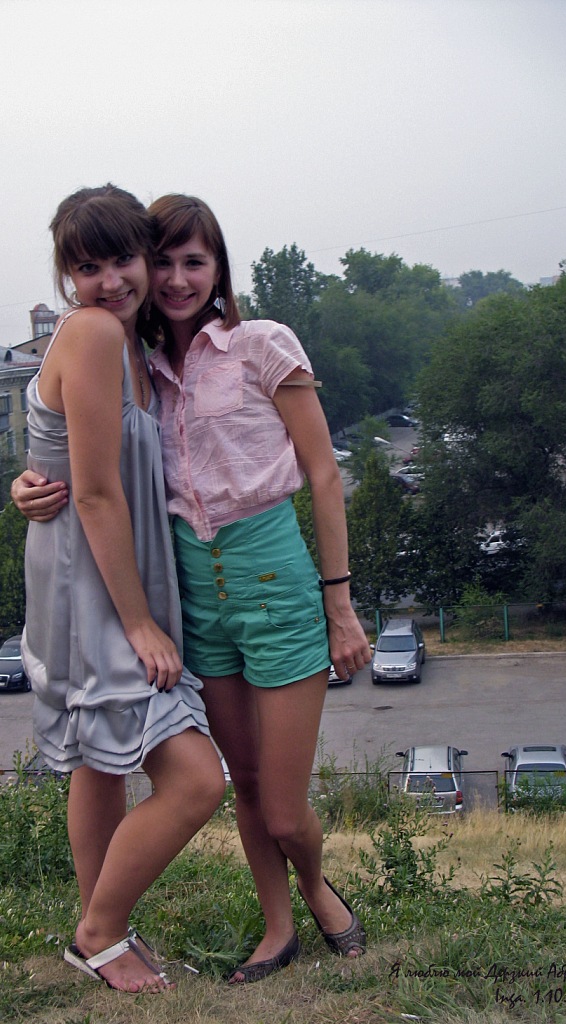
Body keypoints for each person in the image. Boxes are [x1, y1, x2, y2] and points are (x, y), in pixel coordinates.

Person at [14, 192, 373, 984]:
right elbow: (83, 468)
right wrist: (31, 488)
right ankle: (229, 930)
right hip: (153, 593)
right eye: (92, 266)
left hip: (245, 582)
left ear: (218, 269)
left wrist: (338, 602)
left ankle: (309, 890)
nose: (163, 279)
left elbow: (323, 474)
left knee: (266, 802)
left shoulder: (231, 347)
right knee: (218, 780)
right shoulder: (122, 346)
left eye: (189, 262)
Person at [16, 185, 225, 993]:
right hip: (93, 589)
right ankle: (99, 930)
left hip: (95, 570)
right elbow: (97, 493)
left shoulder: (132, 343)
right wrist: (141, 625)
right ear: (67, 277)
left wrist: (26, 483)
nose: (110, 282)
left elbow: (62, 457)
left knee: (99, 766)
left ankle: (101, 935)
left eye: (121, 260)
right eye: (87, 268)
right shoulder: (95, 333)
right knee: (195, 780)